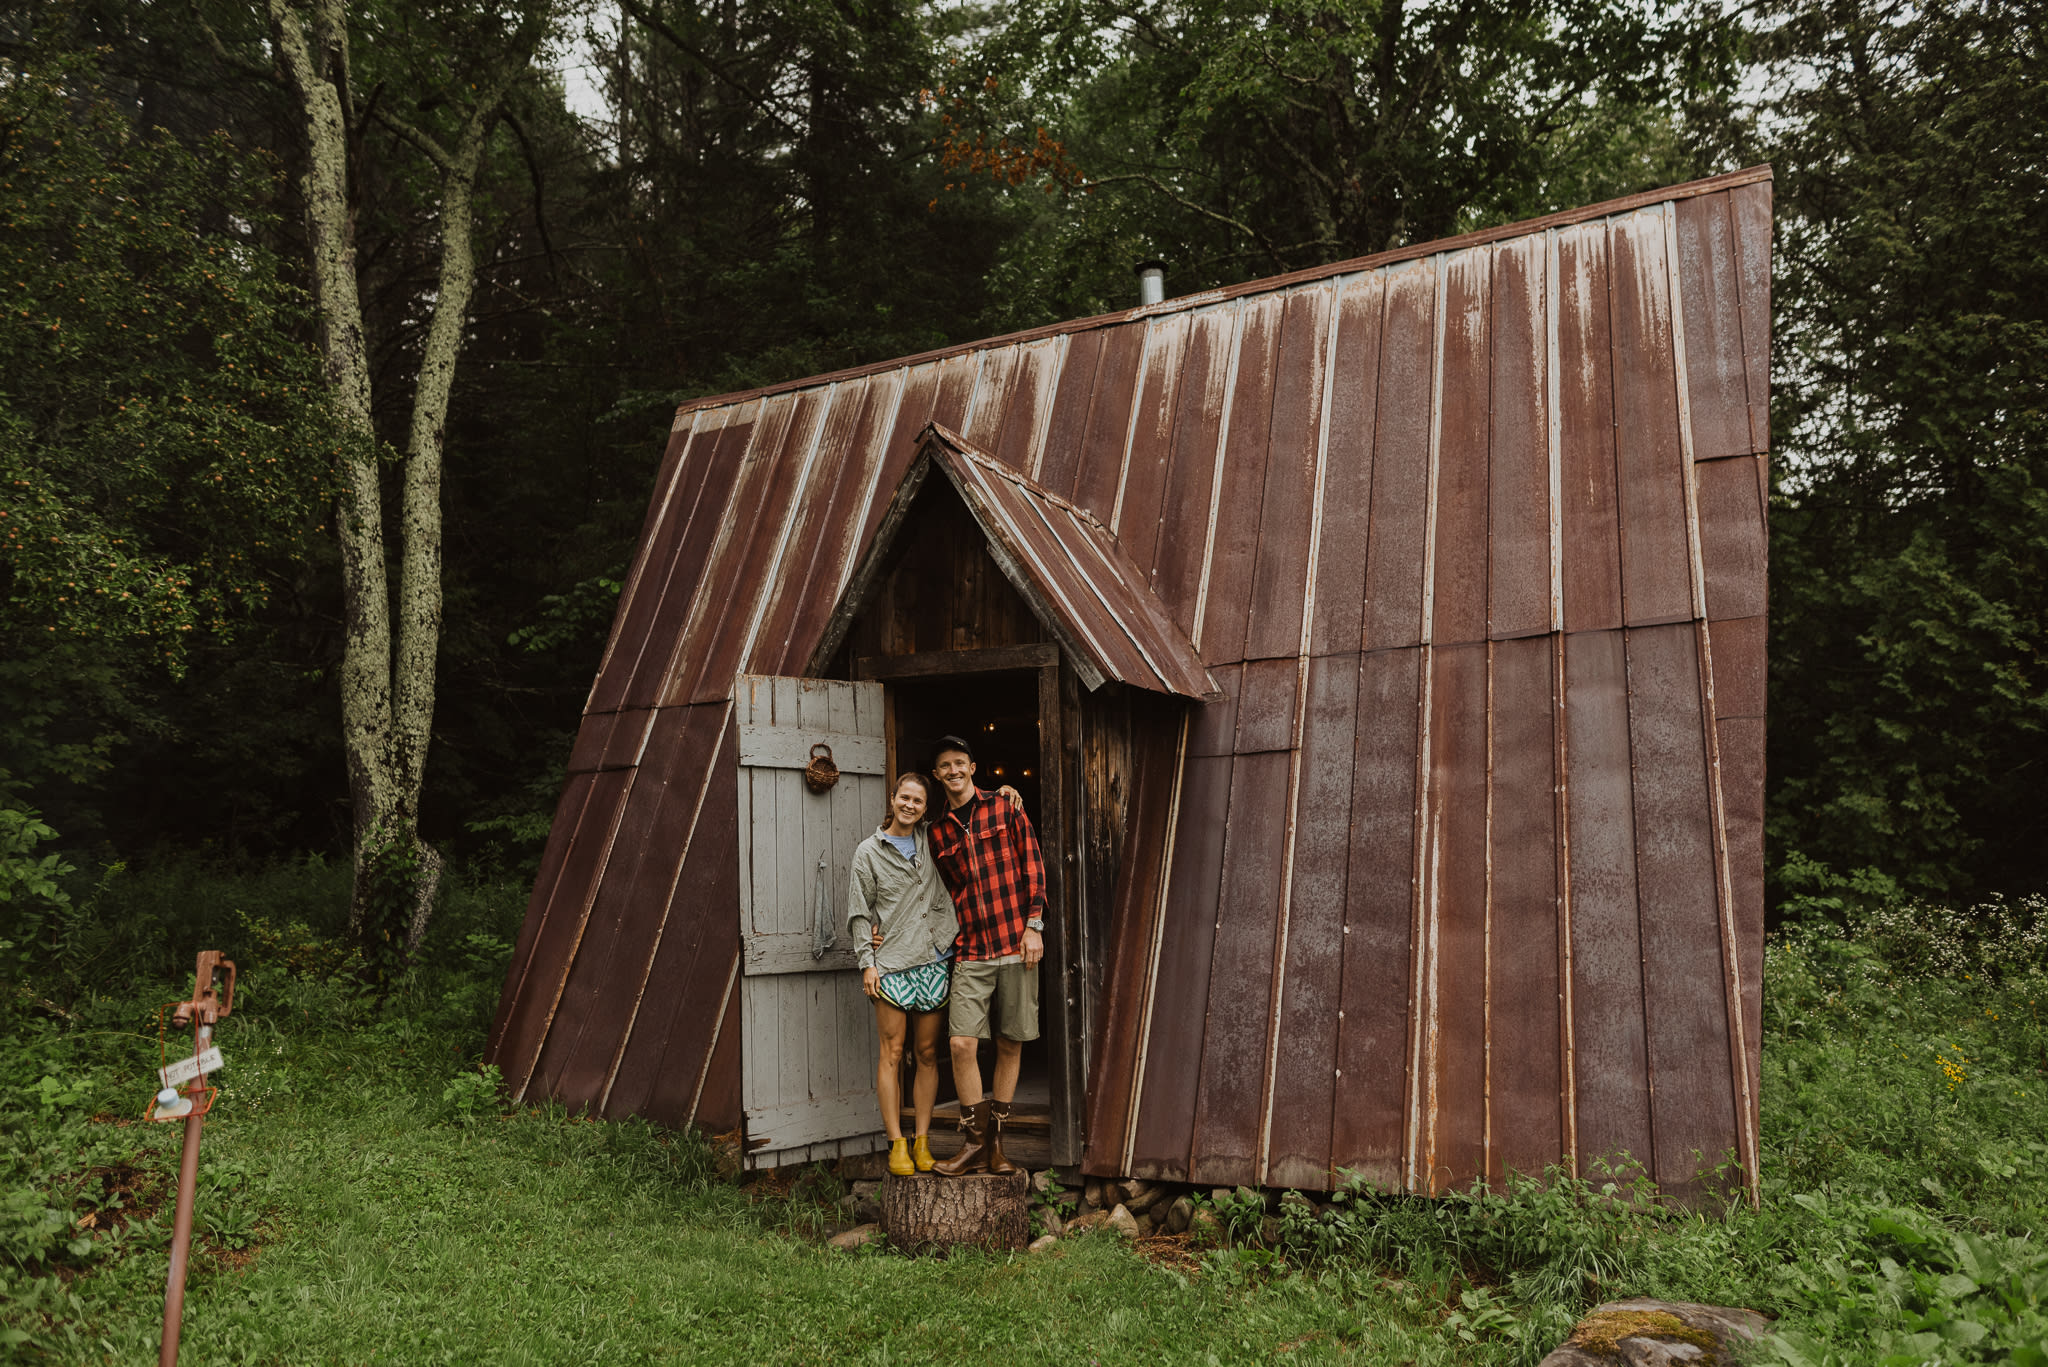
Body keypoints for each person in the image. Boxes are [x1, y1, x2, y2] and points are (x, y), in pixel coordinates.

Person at [925, 734, 1046, 1178]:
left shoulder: (1006, 806)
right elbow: (934, 893)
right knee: (961, 1043)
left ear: (972, 767)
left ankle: (997, 1145)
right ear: (937, 775)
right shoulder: (935, 830)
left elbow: (1033, 865)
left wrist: (1034, 926)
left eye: (961, 762)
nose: (954, 771)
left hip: (1016, 944)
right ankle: (974, 1143)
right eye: (945, 766)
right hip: (971, 949)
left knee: (1011, 1042)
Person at [846, 770, 959, 1177]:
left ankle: (922, 1140)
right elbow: (860, 912)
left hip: (934, 958)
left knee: (928, 1053)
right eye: (904, 798)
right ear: (892, 799)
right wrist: (867, 963)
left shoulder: (932, 838)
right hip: (892, 963)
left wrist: (1003, 790)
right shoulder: (868, 852)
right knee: (892, 1054)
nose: (910, 805)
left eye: (918, 801)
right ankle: (896, 1143)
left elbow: (964, 800)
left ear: (925, 809)